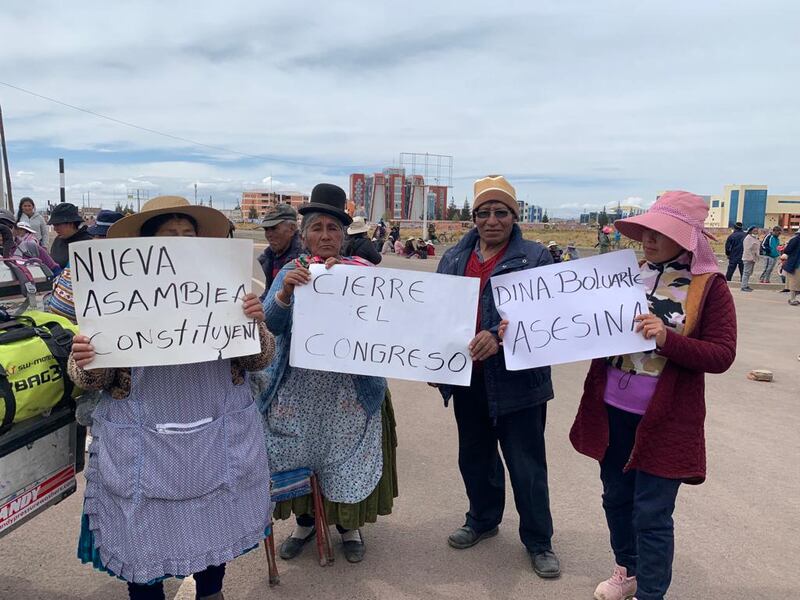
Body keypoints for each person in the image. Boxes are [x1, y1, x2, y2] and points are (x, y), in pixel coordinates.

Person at [68, 195, 275, 600]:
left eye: (187, 234)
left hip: (215, 432)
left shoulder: (227, 288)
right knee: (140, 530)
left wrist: (255, 325)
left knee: (216, 517)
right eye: (169, 235)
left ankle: (211, 591)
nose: (180, 241)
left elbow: (259, 360)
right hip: (142, 438)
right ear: (146, 245)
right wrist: (85, 358)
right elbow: (89, 377)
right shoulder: (115, 293)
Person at [568, 191, 736, 600]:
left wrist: (667, 340)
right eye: (646, 229)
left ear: (689, 239)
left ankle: (652, 593)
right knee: (616, 499)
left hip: (666, 420)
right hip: (611, 411)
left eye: (661, 231)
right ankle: (627, 570)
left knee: (652, 513)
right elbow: (576, 327)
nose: (648, 238)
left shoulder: (708, 288)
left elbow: (722, 354)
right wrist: (523, 332)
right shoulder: (624, 275)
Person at [254, 183, 398, 564]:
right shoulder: (291, 270)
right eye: (316, 228)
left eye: (332, 229)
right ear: (305, 235)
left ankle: (348, 528)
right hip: (297, 389)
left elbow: (391, 326)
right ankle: (304, 524)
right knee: (299, 454)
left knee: (342, 456)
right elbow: (270, 323)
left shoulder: (363, 273)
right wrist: (285, 293)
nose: (324, 236)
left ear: (343, 234)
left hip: (347, 391)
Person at [434, 175, 560, 579]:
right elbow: (433, 315)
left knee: (526, 464)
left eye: (501, 212)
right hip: (467, 378)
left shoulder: (536, 257)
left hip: (519, 383)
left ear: (514, 214)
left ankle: (539, 541)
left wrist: (499, 338)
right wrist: (427, 361)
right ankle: (483, 519)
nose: (492, 220)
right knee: (475, 456)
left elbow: (548, 319)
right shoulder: (453, 257)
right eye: (484, 212)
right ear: (473, 217)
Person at [46, 210, 124, 322]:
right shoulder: (82, 253)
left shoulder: (122, 268)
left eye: (102, 236)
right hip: (60, 324)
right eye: (95, 235)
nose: (95, 239)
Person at [258, 204, 303, 300]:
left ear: (292, 229)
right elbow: (269, 294)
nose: (269, 234)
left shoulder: (304, 259)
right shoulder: (269, 257)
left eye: (274, 228)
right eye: (266, 229)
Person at [48, 203, 93, 268]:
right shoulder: (58, 240)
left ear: (71, 223)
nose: (55, 229)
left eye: (57, 225)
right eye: (54, 225)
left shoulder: (87, 243)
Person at [780, 227, 800, 305]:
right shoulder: (795, 240)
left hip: (796, 263)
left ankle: (793, 298)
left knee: (794, 282)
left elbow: (787, 250)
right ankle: (792, 299)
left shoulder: (794, 240)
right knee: (794, 282)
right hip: (796, 264)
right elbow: (788, 250)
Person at [740, 226, 760, 292]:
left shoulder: (754, 238)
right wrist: (751, 258)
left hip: (752, 258)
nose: (756, 232)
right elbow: (747, 249)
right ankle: (743, 286)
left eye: (757, 230)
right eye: (754, 230)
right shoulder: (748, 238)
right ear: (750, 231)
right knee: (746, 272)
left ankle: (745, 285)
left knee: (749, 273)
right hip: (748, 258)